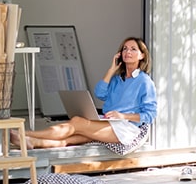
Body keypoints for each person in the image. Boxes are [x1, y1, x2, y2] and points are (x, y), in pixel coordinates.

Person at [12, 37, 157, 149]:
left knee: (77, 122)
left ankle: (25, 134)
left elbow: (150, 115)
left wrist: (122, 115)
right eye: (125, 49)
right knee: (73, 136)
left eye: (133, 49)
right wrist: (111, 70)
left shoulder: (144, 82)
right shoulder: (117, 79)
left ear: (142, 55)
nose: (128, 52)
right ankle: (33, 142)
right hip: (108, 122)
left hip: (125, 128)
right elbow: (100, 93)